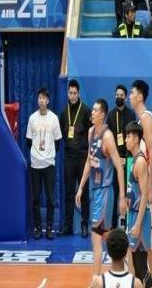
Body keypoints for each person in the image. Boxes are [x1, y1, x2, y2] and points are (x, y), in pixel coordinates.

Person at [76, 99, 127, 285]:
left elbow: (119, 166)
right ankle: (126, 261)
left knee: (96, 238)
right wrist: (81, 187)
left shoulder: (107, 137)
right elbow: (89, 162)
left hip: (105, 192)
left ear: (103, 114)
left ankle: (96, 281)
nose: (92, 112)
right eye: (92, 110)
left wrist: (122, 196)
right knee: (107, 235)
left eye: (96, 110)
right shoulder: (91, 132)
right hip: (94, 190)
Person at [129, 80, 152, 288]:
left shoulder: (146, 118)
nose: (129, 96)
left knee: (148, 242)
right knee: (145, 241)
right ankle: (146, 281)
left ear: (140, 96)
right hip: (140, 185)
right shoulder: (140, 120)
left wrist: (150, 187)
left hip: (146, 185)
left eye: (132, 93)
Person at [26, 87, 62, 240]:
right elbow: (28, 141)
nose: (41, 101)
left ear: (48, 100)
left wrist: (48, 154)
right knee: (35, 198)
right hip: (35, 164)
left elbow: (58, 141)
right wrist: (37, 154)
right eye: (39, 98)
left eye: (44, 98)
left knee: (50, 198)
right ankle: (38, 228)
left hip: (49, 164)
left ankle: (49, 228)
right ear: (37, 100)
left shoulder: (53, 118)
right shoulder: (32, 118)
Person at [59, 79, 91, 237]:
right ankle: (68, 225)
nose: (72, 96)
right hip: (69, 158)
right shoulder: (63, 112)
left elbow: (90, 133)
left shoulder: (85, 110)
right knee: (69, 192)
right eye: (70, 93)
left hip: (82, 158)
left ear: (78, 93)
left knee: (83, 192)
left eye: (74, 93)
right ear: (67, 93)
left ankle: (85, 224)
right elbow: (62, 134)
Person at [125, 122, 152, 286]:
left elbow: (144, 196)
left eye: (128, 136)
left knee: (141, 265)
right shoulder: (134, 159)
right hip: (133, 215)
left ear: (136, 139)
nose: (126, 140)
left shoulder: (141, 162)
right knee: (137, 264)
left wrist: (137, 224)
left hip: (140, 218)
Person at [106, 85, 136, 227]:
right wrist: (116, 158)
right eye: (117, 95)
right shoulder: (110, 115)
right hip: (114, 160)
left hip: (128, 159)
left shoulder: (131, 115)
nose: (119, 97)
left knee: (128, 192)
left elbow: (134, 138)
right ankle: (113, 224)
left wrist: (126, 157)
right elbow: (108, 138)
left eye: (121, 95)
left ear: (125, 97)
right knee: (116, 192)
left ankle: (127, 223)